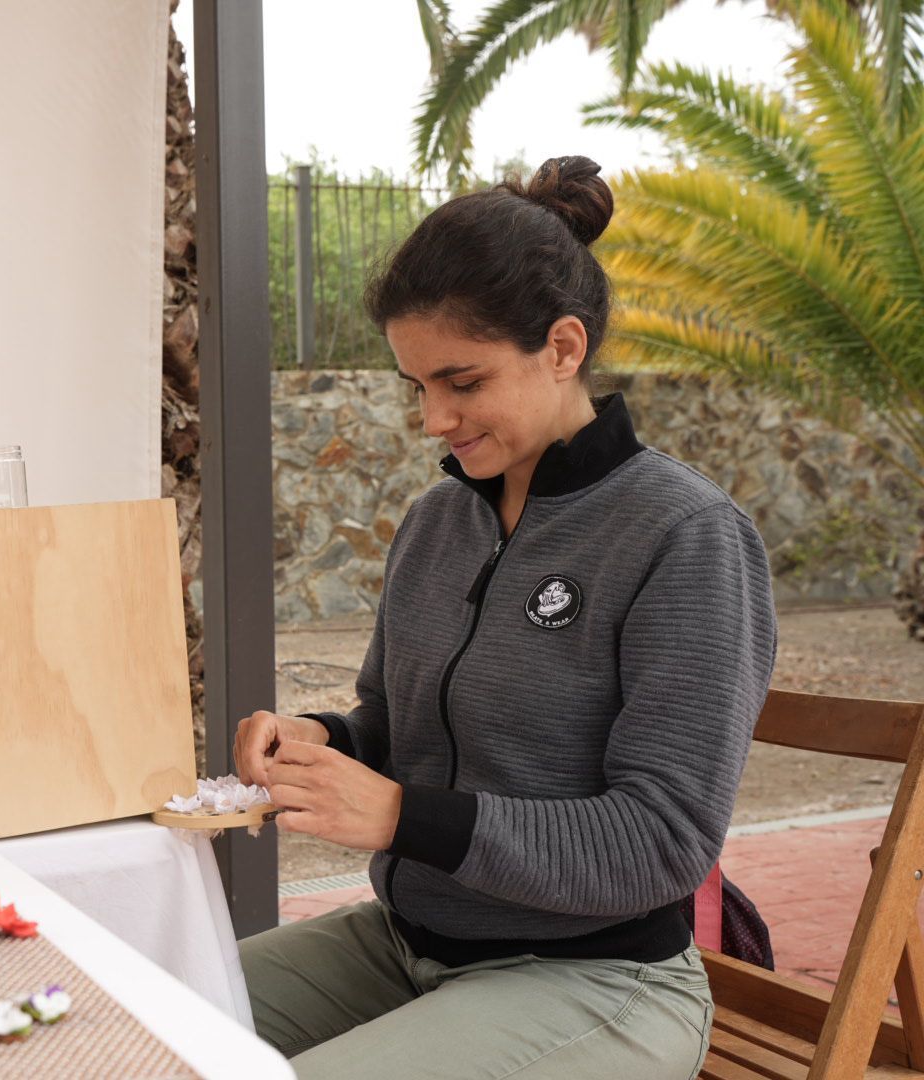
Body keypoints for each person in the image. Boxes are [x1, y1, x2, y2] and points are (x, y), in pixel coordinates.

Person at [235, 155, 778, 1079]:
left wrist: (401, 816)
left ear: (563, 348)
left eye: (463, 382)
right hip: (407, 945)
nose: (433, 418)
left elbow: (662, 842)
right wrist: (320, 740)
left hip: (600, 979)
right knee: (124, 1013)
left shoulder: (684, 535)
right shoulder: (437, 521)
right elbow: (394, 726)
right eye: (417, 386)